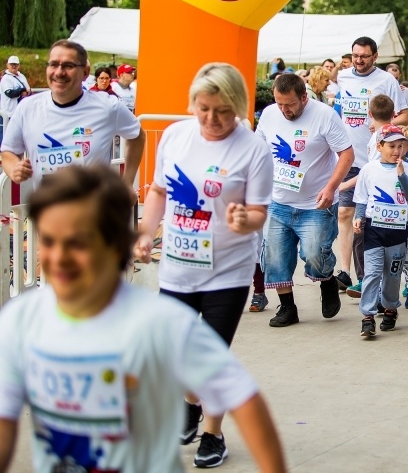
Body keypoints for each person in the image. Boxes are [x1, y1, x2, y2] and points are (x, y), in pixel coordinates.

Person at [0, 165, 287, 473]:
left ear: (114, 245)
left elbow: (245, 399)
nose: (59, 256)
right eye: (49, 240)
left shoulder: (162, 323)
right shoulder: (21, 321)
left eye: (78, 243)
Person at [134, 63, 273, 468]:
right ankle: (189, 403)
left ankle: (212, 433)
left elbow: (260, 210)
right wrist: (145, 232)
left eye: (223, 111)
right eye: (203, 108)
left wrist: (244, 220)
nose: (212, 119)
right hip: (178, 266)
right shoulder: (176, 136)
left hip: (227, 271)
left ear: (239, 107)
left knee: (211, 356)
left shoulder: (253, 148)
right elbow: (159, 190)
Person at [256, 73, 355, 327]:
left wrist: (332, 187)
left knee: (314, 255)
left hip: (316, 203)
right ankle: (287, 307)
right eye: (279, 104)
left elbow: (346, 154)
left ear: (304, 97)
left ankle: (328, 281)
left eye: (289, 104)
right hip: (279, 202)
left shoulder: (324, 115)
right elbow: (259, 151)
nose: (284, 110)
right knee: (275, 257)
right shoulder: (269, 115)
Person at [1, 40, 145, 189]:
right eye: (53, 64)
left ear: (85, 72)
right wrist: (14, 169)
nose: (59, 72)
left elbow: (137, 136)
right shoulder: (27, 108)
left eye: (68, 66)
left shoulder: (108, 106)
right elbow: (9, 152)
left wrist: (127, 183)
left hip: (95, 209)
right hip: (48, 209)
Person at [334, 36, 408, 299]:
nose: (359, 60)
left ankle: (406, 271)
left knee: (369, 222)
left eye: (364, 56)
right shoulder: (342, 77)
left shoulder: (386, 80)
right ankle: (347, 272)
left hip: (377, 161)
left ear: (375, 56)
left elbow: (405, 115)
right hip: (348, 157)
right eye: (355, 55)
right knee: (345, 213)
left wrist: (381, 123)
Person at [353, 125, 408, 336]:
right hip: (374, 229)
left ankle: (390, 308)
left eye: (401, 146)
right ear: (379, 146)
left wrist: (401, 176)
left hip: (398, 231)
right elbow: (363, 198)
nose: (396, 151)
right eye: (391, 146)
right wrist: (358, 217)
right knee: (371, 273)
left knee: (392, 274)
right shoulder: (369, 169)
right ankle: (368, 316)